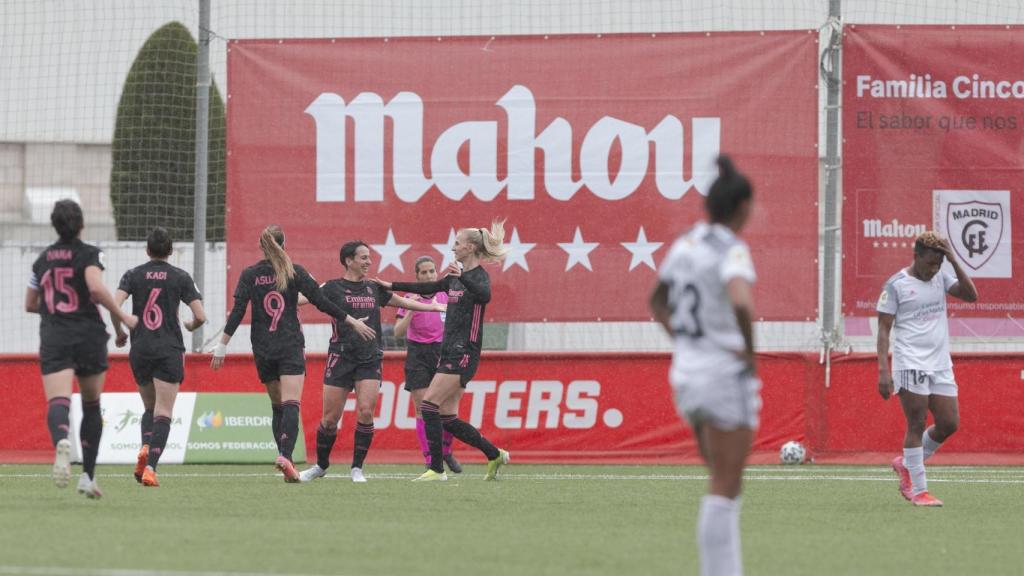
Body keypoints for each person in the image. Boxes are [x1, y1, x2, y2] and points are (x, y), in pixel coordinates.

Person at [649, 156, 758, 576]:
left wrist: (687, 342)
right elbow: (740, 300)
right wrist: (748, 351)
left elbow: (657, 302)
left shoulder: (686, 244)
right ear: (743, 207)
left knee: (719, 479)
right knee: (725, 486)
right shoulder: (732, 249)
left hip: (687, 374)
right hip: (723, 375)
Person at [210, 225, 375, 482]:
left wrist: (222, 346)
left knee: (277, 406)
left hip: (262, 347)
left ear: (261, 247)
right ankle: (285, 456)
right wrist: (351, 320)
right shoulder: (293, 271)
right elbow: (321, 301)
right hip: (289, 344)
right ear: (284, 245)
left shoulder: (250, 274)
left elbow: (239, 310)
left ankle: (282, 455)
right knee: (291, 404)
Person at [297, 242, 445, 483]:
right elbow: (303, 299)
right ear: (348, 260)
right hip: (340, 356)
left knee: (366, 412)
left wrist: (433, 306)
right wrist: (287, 293)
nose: (368, 262)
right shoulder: (332, 287)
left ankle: (357, 468)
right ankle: (321, 466)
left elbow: (404, 301)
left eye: (369, 257)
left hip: (370, 358)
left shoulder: (373, 287)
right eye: (363, 257)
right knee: (329, 420)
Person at [375, 220, 510, 482]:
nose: (453, 247)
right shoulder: (454, 277)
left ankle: (436, 469)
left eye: (457, 243)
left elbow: (484, 295)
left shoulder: (477, 276)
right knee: (446, 417)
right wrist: (390, 285)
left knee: (428, 405)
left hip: (465, 353)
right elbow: (428, 289)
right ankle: (494, 454)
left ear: (470, 247)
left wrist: (463, 277)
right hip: (448, 352)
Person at [24, 199, 139, 499]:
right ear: (81, 224)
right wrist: (124, 316)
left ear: (54, 225)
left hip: (55, 336)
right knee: (91, 403)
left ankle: (62, 440)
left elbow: (30, 303)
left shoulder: (42, 259)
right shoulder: (90, 254)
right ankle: (87, 476)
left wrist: (55, 313)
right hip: (88, 334)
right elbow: (96, 287)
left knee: (58, 400)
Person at [877, 231, 977, 507]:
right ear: (917, 256)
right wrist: (883, 371)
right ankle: (918, 490)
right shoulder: (896, 285)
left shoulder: (941, 277)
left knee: (948, 423)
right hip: (910, 362)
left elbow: (971, 296)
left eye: (939, 263)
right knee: (916, 422)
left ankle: (906, 463)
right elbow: (884, 330)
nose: (935, 268)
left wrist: (954, 262)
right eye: (931, 262)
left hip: (940, 363)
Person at [113, 227, 207, 487]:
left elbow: (114, 304)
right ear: (171, 251)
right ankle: (151, 468)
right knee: (164, 412)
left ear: (147, 250)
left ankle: (145, 445)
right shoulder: (180, 276)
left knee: (149, 408)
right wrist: (190, 326)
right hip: (168, 349)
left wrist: (120, 332)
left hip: (141, 348)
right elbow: (200, 315)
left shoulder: (133, 275)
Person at [394, 256, 461, 473]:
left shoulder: (445, 294)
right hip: (418, 354)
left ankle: (446, 451)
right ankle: (430, 457)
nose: (429, 275)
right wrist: (412, 309)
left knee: (446, 408)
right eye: (424, 272)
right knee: (422, 408)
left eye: (432, 271)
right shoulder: (409, 297)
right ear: (417, 276)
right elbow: (397, 333)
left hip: (444, 352)